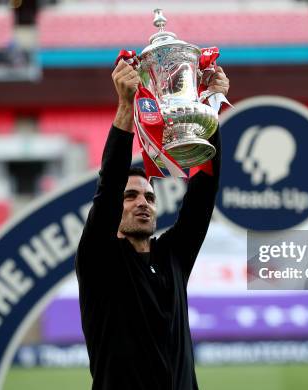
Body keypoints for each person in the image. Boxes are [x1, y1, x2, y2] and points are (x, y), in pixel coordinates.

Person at [75, 59, 230, 390]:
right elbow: (109, 186)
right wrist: (126, 107)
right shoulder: (99, 259)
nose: (142, 202)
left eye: (149, 197)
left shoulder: (172, 256)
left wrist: (210, 107)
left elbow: (204, 191)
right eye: (130, 197)